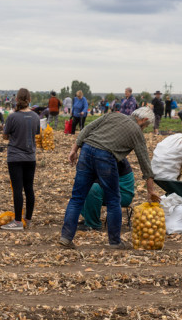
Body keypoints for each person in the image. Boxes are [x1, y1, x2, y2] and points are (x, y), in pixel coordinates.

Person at [59, 106, 159, 249]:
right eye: (147, 126)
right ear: (144, 120)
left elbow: (86, 130)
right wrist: (151, 190)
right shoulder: (137, 131)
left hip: (86, 150)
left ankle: (66, 237)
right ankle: (115, 242)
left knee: (77, 197)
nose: (145, 128)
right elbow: (145, 162)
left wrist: (74, 150)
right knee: (113, 200)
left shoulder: (113, 115)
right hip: (105, 157)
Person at [1, 88, 40, 231]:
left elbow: (5, 136)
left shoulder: (12, 117)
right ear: (29, 100)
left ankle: (18, 221)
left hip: (15, 157)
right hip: (30, 157)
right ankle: (28, 219)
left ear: (16, 100)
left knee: (17, 189)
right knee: (29, 188)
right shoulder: (36, 117)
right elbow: (36, 133)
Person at [78, 159, 135, 231]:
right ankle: (89, 219)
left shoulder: (114, 158)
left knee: (93, 189)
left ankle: (93, 225)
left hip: (122, 194)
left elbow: (104, 181)